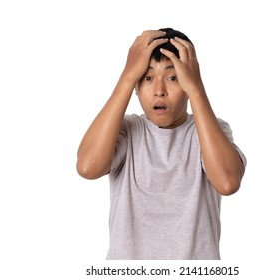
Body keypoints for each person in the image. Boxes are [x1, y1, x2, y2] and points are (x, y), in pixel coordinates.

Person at [76, 28, 247, 260]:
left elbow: (227, 182)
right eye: (147, 78)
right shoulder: (126, 130)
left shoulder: (210, 131)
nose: (159, 91)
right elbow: (88, 167)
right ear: (136, 86)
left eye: (173, 78)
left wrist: (196, 90)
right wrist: (127, 76)